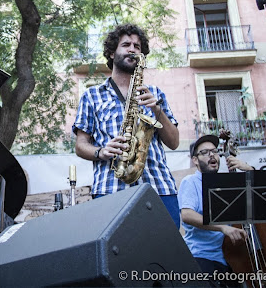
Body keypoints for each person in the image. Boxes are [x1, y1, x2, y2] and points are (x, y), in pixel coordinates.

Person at [73, 23, 181, 227]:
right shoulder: (92, 96)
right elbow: (80, 145)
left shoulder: (156, 94)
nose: (132, 49)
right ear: (112, 53)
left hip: (159, 188)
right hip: (110, 190)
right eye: (126, 45)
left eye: (137, 47)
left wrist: (157, 109)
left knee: (165, 256)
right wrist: (101, 152)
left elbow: (174, 142)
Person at [179, 134, 254, 287]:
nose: (212, 155)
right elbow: (187, 215)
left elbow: (257, 202)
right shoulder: (191, 181)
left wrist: (250, 170)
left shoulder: (226, 183)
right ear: (195, 160)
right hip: (202, 257)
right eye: (205, 152)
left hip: (231, 258)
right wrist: (222, 227)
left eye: (214, 151)